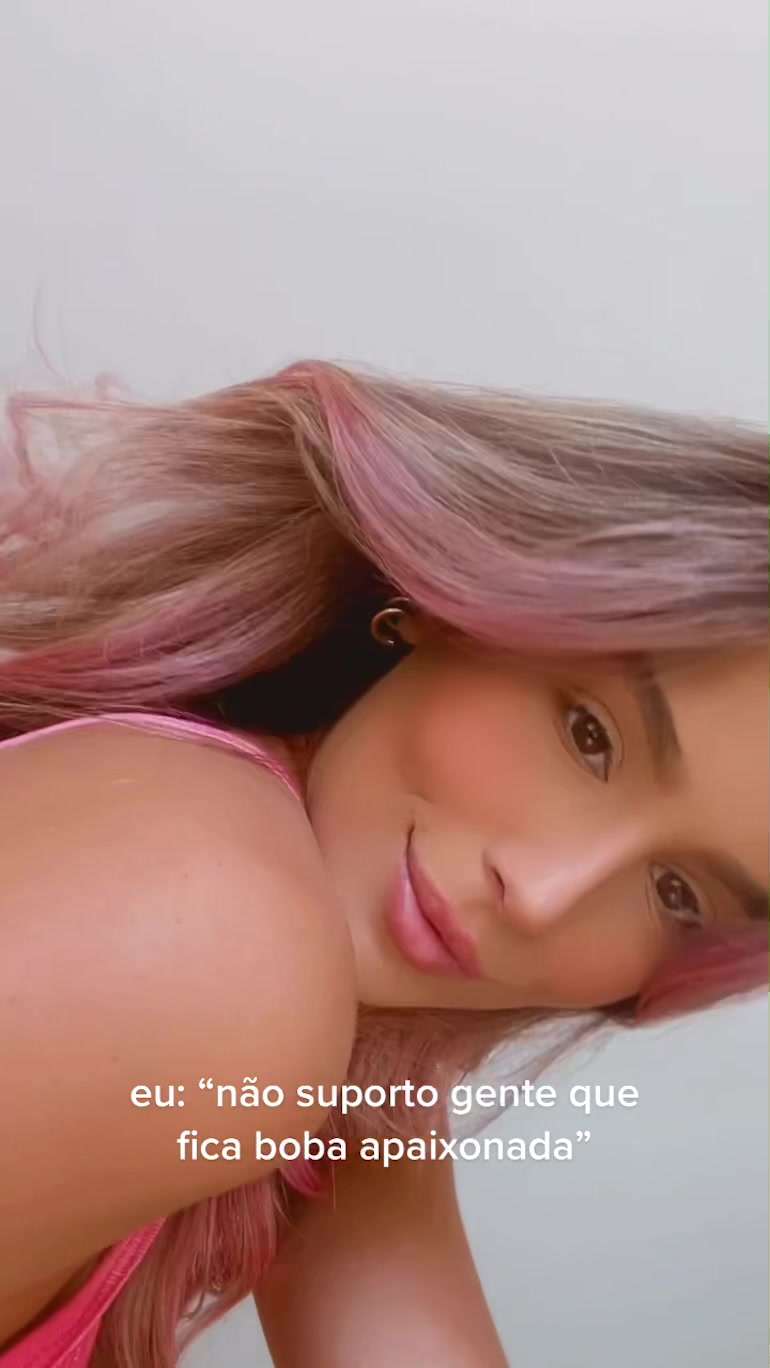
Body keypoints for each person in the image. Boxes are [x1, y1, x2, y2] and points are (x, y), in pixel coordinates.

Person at [0, 359, 766, 1368]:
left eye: (674, 894)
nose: (542, 895)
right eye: (589, 736)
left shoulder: (322, 1042)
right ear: (457, 601)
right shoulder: (216, 929)